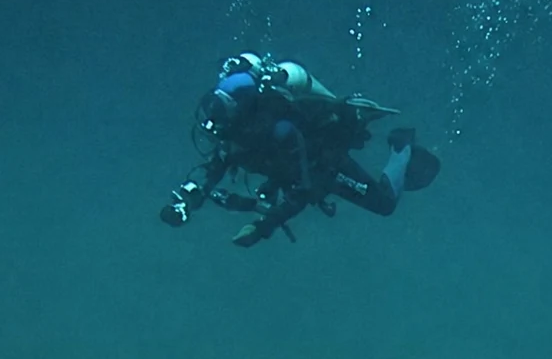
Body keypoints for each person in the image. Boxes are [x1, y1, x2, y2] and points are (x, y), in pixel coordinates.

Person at [159, 51, 441, 247]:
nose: (219, 139)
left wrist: (261, 228)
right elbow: (210, 172)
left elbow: (307, 188)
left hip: (326, 166)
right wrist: (184, 204)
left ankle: (401, 145)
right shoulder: (232, 136)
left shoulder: (279, 131)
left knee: (385, 204)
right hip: (301, 171)